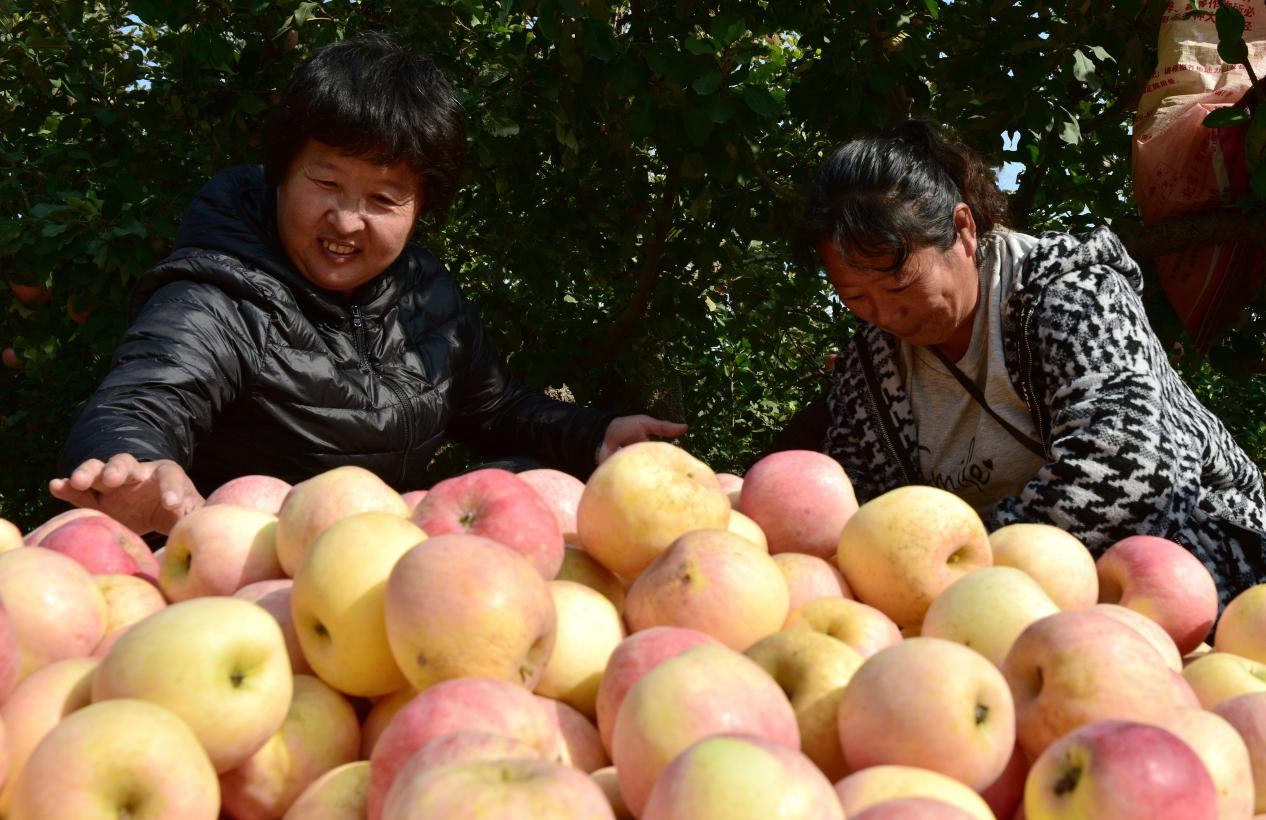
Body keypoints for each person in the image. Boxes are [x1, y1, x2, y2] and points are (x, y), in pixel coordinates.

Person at [50, 34, 684, 536]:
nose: (346, 220)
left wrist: (597, 434)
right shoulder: (218, 295)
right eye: (325, 183)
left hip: (387, 578)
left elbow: (495, 409)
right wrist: (131, 463)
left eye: (383, 196)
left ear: (421, 206)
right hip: (256, 586)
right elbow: (146, 395)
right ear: (280, 173)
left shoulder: (427, 297)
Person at [798, 120, 1266, 601]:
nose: (887, 314)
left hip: (1195, 551)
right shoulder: (870, 372)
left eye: (900, 285)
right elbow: (858, 508)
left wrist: (963, 568)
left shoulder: (1074, 294)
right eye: (856, 296)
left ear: (963, 230)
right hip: (988, 597)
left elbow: (1131, 470)